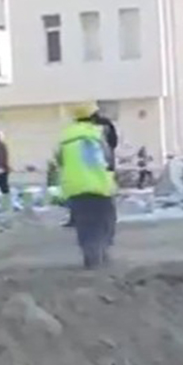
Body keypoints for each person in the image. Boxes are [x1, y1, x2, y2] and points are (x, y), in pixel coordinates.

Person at [54, 102, 116, 269]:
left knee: (84, 223)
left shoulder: (65, 136)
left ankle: (90, 255)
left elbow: (59, 160)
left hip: (74, 187)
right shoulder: (96, 133)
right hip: (98, 185)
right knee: (104, 220)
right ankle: (101, 253)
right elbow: (108, 158)